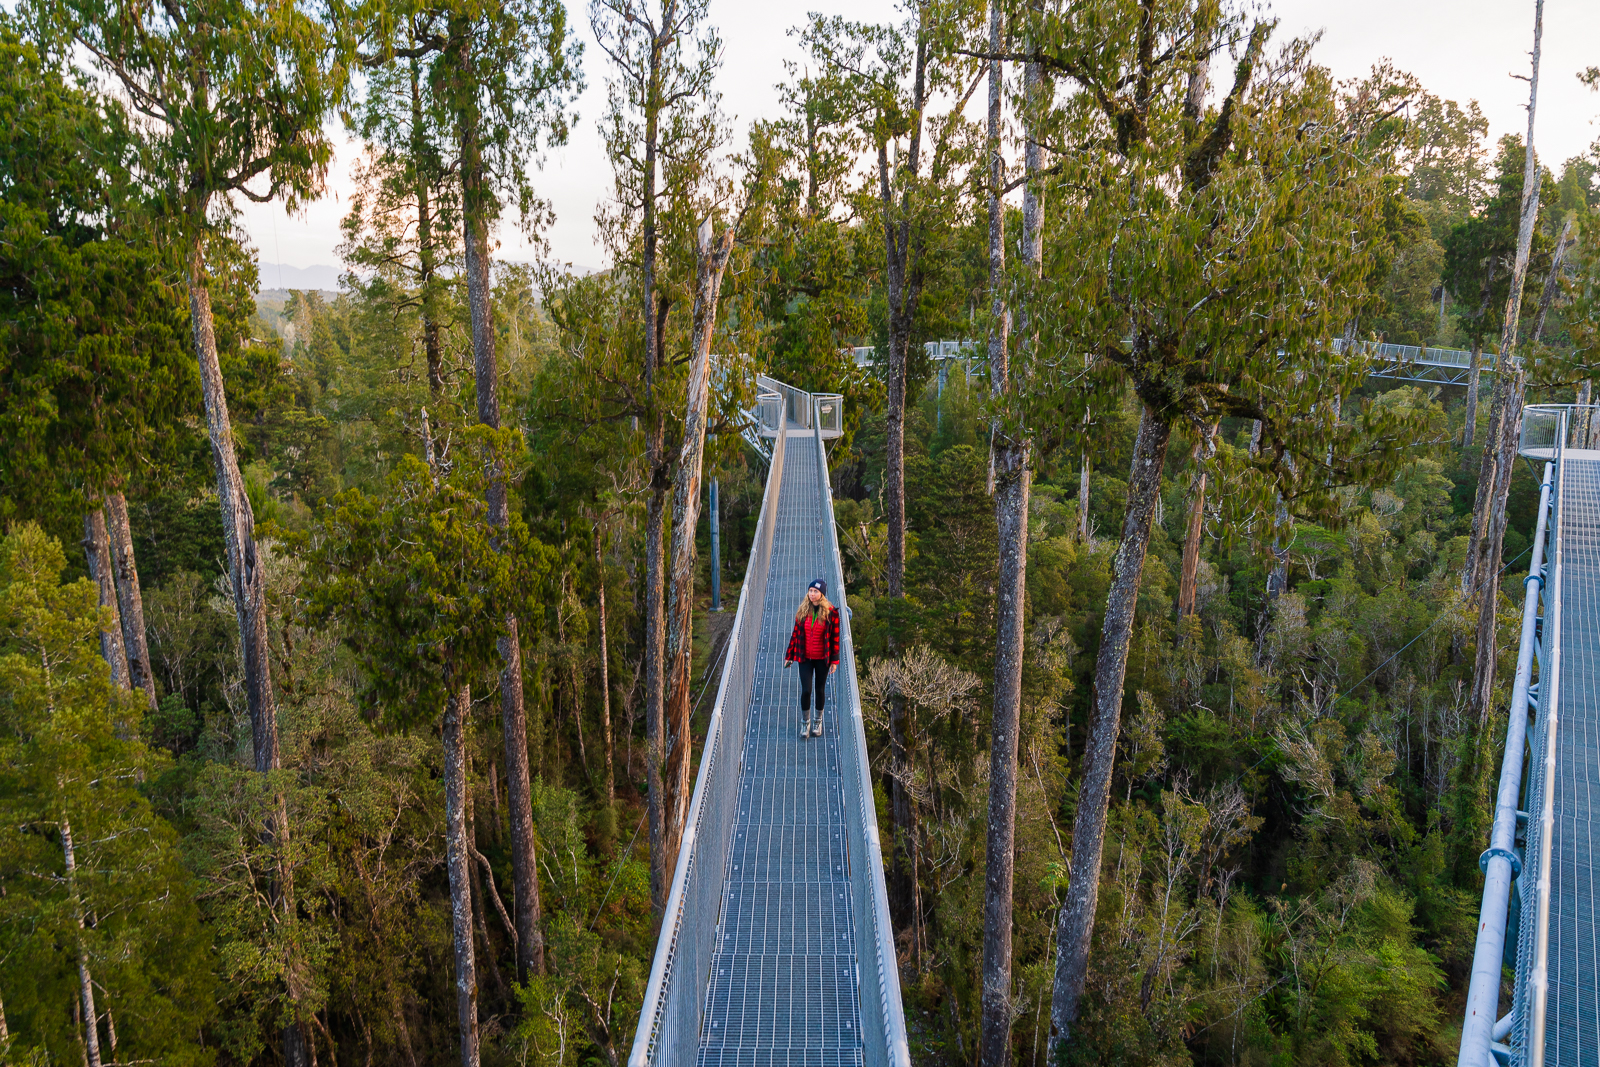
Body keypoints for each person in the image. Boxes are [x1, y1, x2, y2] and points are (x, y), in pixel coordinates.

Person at [784, 578, 839, 738]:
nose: (812, 594)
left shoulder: (831, 613)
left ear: (822, 594)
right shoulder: (802, 611)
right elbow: (795, 635)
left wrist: (834, 661)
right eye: (810, 591)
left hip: (822, 658)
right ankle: (805, 722)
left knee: (820, 690)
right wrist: (789, 656)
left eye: (815, 591)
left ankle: (817, 721)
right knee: (806, 690)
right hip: (805, 658)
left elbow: (835, 638)